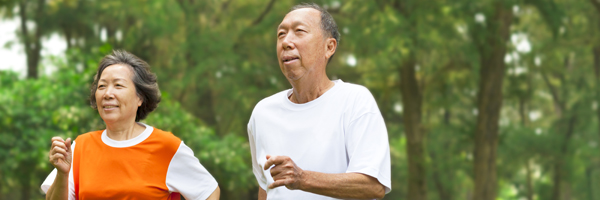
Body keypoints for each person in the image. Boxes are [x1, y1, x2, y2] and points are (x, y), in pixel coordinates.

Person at [247, 3, 391, 200]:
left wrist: (303, 179)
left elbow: (373, 186)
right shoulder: (262, 112)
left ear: (329, 47)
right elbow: (266, 188)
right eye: (281, 34)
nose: (286, 42)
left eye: (299, 31)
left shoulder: (355, 100)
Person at [41, 50, 220, 200]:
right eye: (102, 86)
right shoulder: (80, 147)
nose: (108, 94)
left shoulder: (166, 146)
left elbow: (209, 192)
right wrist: (62, 174)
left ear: (140, 97)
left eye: (118, 85)